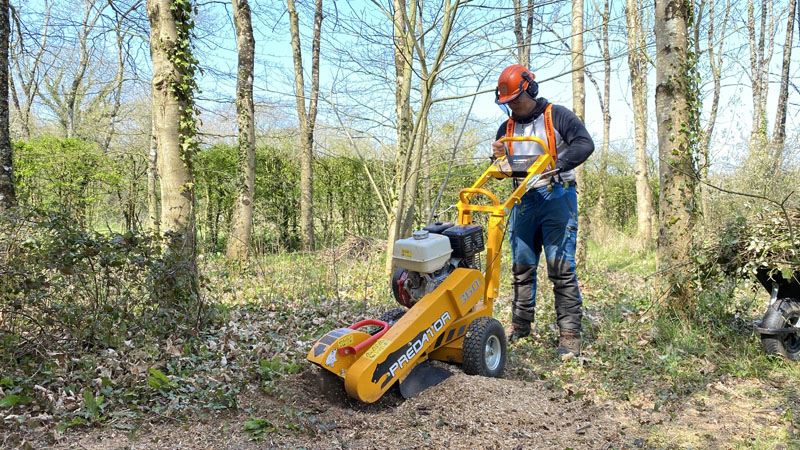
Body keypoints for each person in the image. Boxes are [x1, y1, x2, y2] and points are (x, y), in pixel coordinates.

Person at [491, 64, 594, 360]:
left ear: (530, 90)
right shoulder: (507, 128)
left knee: (560, 269)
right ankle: (521, 325)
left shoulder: (557, 115)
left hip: (556, 196)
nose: (512, 107)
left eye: (515, 100)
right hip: (522, 200)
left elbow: (585, 145)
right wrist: (497, 160)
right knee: (522, 268)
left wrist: (556, 165)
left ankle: (570, 335)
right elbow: (499, 167)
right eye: (506, 103)